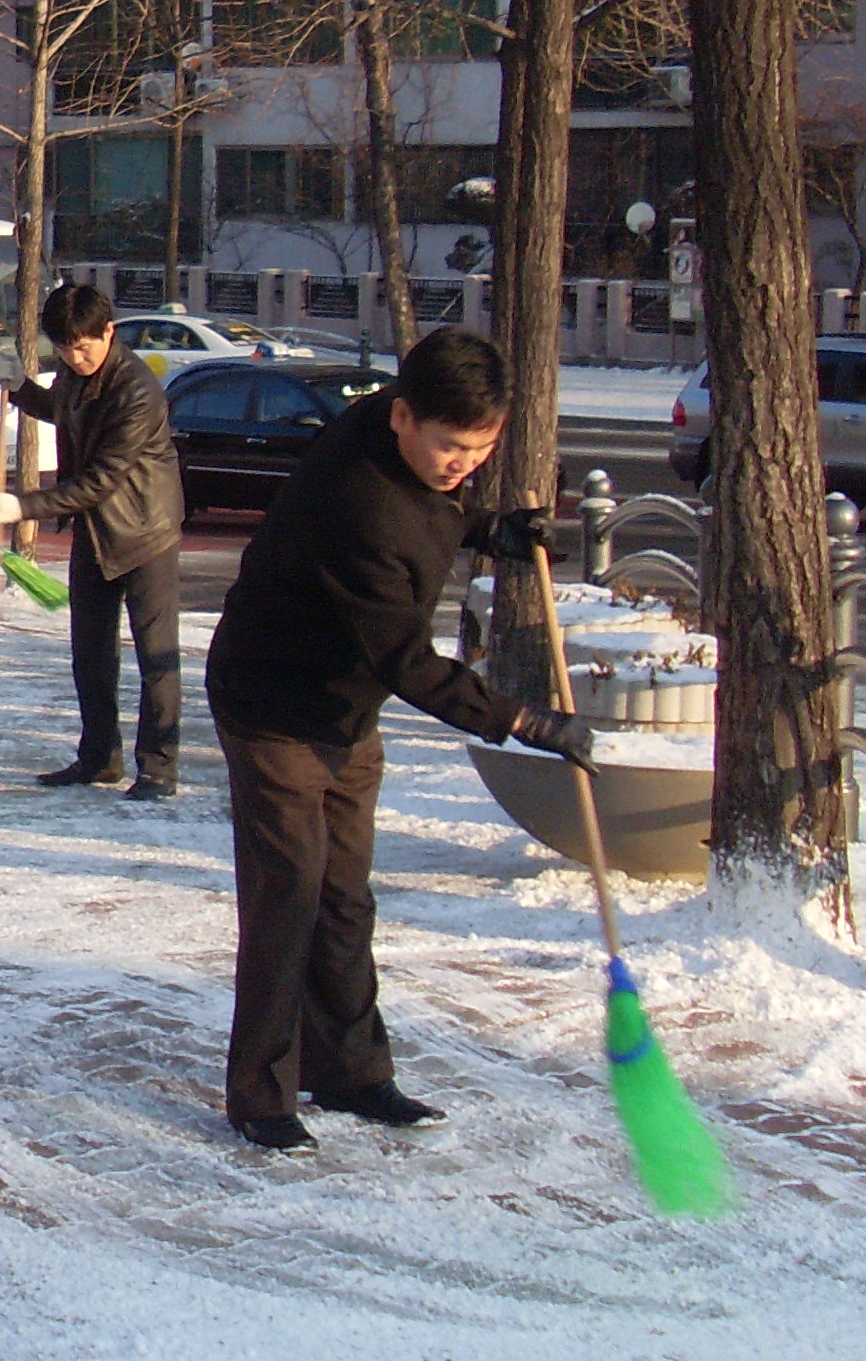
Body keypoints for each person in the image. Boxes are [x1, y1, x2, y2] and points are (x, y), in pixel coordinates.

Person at [201, 327, 595, 1153]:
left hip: (346, 708)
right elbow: (407, 661)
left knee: (345, 897)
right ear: (404, 417)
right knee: (290, 899)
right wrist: (522, 721)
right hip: (277, 705)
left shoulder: (404, 437)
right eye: (452, 447)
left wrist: (489, 529)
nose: (464, 465)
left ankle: (348, 1069)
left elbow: (435, 507)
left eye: (481, 450)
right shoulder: (356, 503)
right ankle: (261, 1093)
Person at [0, 284, 184, 797]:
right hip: (95, 534)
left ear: (109, 333)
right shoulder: (73, 377)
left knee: (154, 655)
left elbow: (101, 479)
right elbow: (63, 410)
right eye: (66, 348)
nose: (76, 357)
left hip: (144, 532)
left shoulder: (138, 391)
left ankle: (158, 767)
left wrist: (24, 506)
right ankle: (99, 757)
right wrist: (23, 388)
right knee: (90, 654)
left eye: (85, 346)